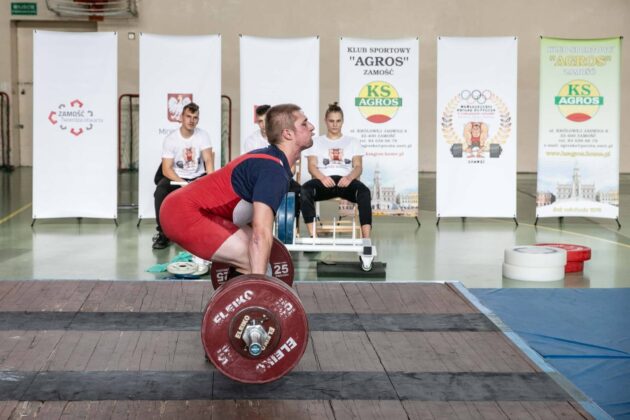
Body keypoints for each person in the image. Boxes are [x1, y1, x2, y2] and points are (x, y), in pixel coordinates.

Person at [160, 104, 314, 275]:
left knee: (260, 258)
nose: (312, 127)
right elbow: (260, 234)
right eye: (304, 123)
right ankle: (252, 299)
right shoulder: (272, 170)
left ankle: (239, 295)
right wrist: (260, 283)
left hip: (192, 210)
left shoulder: (272, 161)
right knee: (253, 261)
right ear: (288, 133)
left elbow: (250, 221)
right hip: (182, 213)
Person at [301, 102, 372, 239]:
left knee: (364, 192)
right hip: (323, 182)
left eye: (338, 121)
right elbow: (311, 166)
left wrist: (350, 178)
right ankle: (313, 235)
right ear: (325, 121)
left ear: (342, 121)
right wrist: (322, 178)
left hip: (345, 182)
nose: (335, 124)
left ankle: (366, 239)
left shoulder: (353, 142)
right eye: (331, 121)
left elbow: (358, 167)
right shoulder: (315, 141)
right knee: (305, 190)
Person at [152, 102, 214, 250]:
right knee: (160, 191)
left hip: (197, 177)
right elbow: (166, 170)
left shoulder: (203, 135)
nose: (192, 120)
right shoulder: (171, 139)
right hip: (176, 178)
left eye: (195, 117)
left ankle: (207, 232)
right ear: (181, 117)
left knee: (213, 194)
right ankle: (163, 234)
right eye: (188, 116)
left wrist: (211, 181)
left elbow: (208, 160)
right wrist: (183, 183)